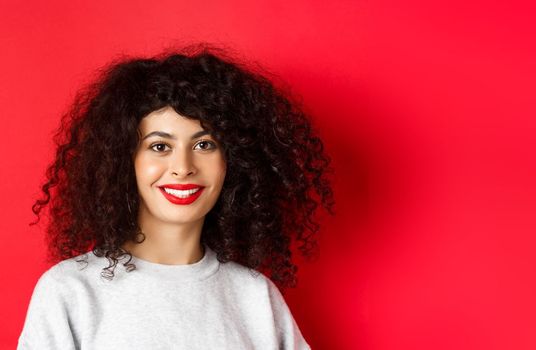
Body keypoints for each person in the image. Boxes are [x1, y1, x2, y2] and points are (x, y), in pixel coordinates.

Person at [17, 44, 335, 349]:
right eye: (160, 147)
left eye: (204, 145)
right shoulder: (71, 292)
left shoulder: (255, 297)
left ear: (233, 161)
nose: (183, 168)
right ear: (124, 160)